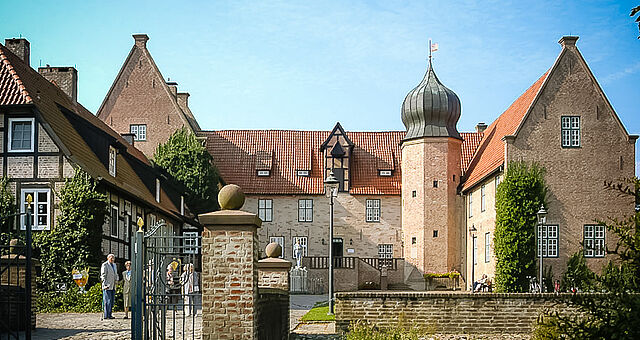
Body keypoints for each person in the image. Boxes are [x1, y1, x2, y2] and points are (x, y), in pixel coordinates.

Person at [100, 254, 119, 319]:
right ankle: (106, 315)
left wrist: (117, 280)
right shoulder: (105, 265)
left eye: (113, 258)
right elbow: (103, 275)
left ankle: (110, 314)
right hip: (107, 285)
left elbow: (116, 274)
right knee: (107, 300)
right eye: (111, 258)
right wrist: (104, 285)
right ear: (108, 258)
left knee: (111, 301)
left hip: (113, 285)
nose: (112, 259)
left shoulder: (114, 265)